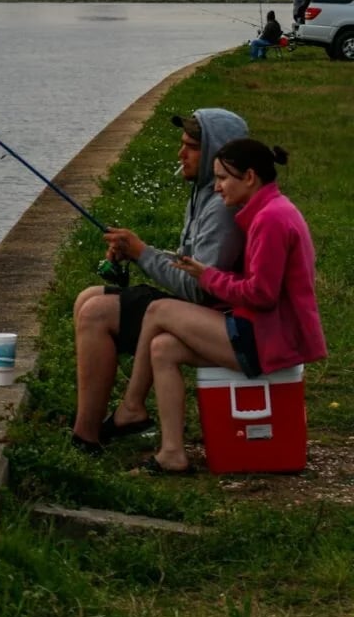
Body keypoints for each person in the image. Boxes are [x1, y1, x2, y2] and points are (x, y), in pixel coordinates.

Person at [128, 138, 327, 475]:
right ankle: (172, 453)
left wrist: (208, 277)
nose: (217, 187)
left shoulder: (271, 219)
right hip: (266, 333)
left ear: (249, 177)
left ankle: (131, 406)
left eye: (222, 178)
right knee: (163, 348)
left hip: (270, 342)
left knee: (157, 311)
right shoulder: (272, 210)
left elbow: (262, 294)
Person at [71, 108, 248, 455]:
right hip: (200, 309)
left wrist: (142, 254)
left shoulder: (222, 206)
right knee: (87, 297)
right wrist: (141, 251)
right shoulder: (204, 194)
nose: (180, 154)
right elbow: (188, 261)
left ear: (218, 152)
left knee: (96, 313)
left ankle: (86, 436)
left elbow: (200, 287)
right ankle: (96, 418)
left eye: (191, 147)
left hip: (215, 318)